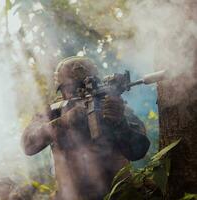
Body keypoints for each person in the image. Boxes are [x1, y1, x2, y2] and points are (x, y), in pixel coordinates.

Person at [21, 57, 150, 200]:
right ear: (62, 90)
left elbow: (139, 151)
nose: (75, 92)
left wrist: (120, 123)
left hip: (117, 195)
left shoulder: (113, 107)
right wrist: (63, 121)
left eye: (81, 86)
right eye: (70, 88)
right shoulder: (54, 111)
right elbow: (28, 145)